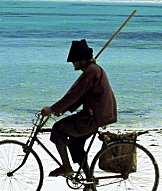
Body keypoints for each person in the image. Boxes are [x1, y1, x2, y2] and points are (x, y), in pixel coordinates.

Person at [41, 39, 117, 178]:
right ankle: (89, 178)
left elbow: (74, 94)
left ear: (82, 60)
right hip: (98, 116)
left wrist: (52, 109)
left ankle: (66, 167)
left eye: (74, 61)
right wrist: (63, 109)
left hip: (94, 117)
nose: (73, 63)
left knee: (58, 129)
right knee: (75, 143)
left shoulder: (92, 71)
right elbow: (81, 96)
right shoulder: (92, 70)